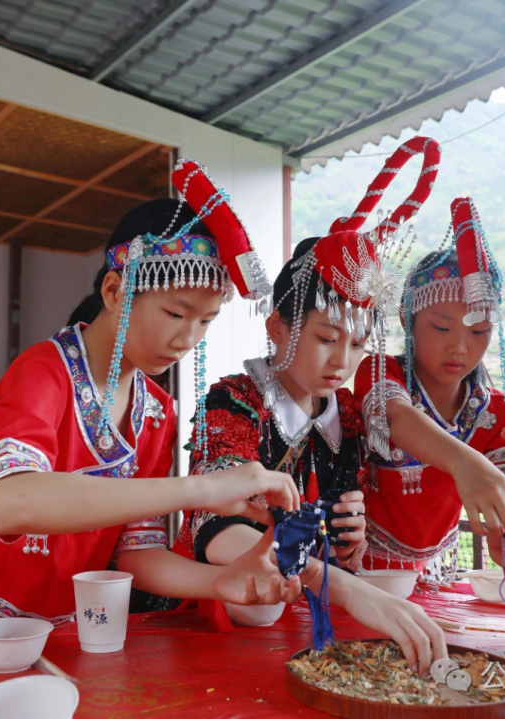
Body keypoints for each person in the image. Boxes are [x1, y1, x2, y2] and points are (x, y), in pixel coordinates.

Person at [0, 160, 311, 628]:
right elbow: (3, 505)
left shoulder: (158, 412)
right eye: (175, 313)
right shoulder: (45, 371)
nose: (188, 338)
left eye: (205, 321)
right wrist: (200, 488)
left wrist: (221, 581)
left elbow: (137, 552)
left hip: (71, 630)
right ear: (114, 291)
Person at [181, 142, 455, 673]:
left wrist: (347, 542)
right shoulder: (234, 400)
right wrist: (336, 580)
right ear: (277, 328)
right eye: (327, 338)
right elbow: (214, 524)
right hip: (230, 606)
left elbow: (333, 539)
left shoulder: (347, 417)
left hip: (307, 610)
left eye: (357, 344)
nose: (342, 361)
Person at [353, 197, 505, 583]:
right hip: (364, 572)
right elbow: (395, 416)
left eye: (479, 332)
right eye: (442, 328)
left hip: (439, 578)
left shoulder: (495, 412)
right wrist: (465, 463)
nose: (459, 347)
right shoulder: (380, 372)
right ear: (407, 319)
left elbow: (502, 494)